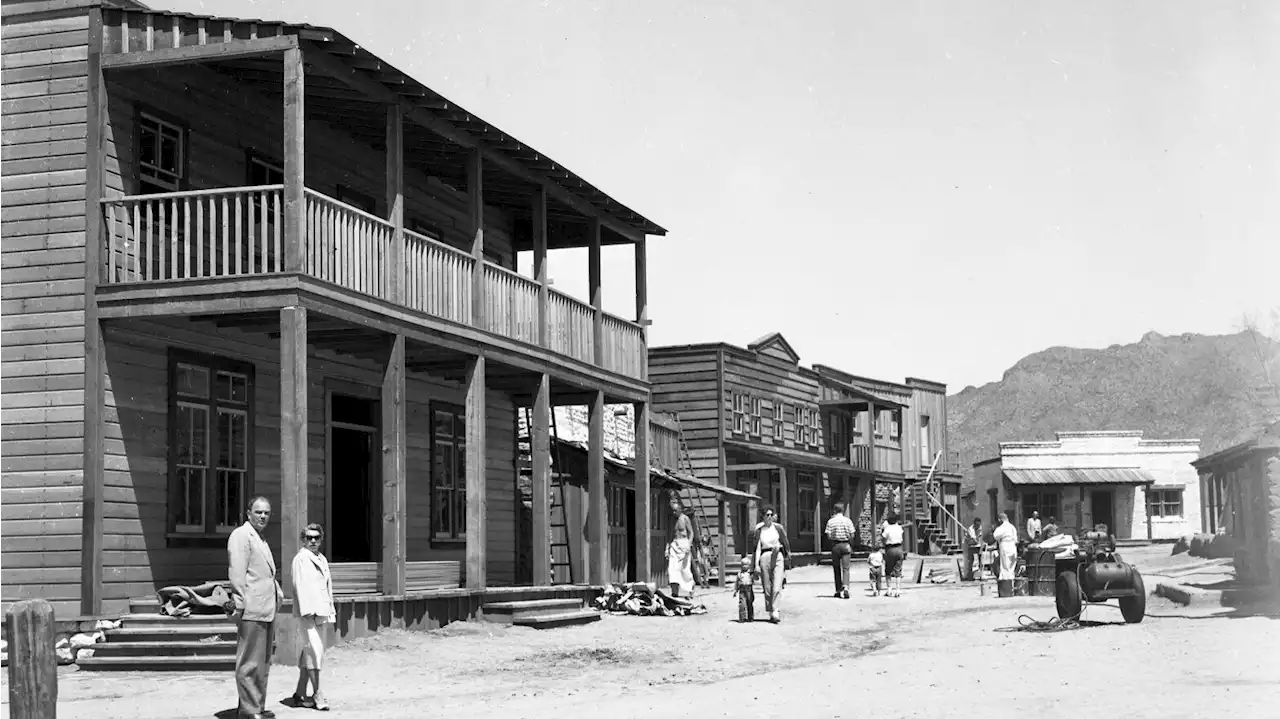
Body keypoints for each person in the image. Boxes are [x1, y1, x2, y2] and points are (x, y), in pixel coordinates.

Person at [228, 496, 284, 719]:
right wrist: (239, 605)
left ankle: (256, 706)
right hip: (251, 608)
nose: (263, 516)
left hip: (266, 608)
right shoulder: (241, 536)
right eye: (259, 512)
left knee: (262, 663)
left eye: (267, 513)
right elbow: (237, 573)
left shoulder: (259, 538)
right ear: (248, 513)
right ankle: (249, 711)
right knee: (249, 662)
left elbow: (264, 573)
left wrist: (277, 592)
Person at [290, 523, 336, 712]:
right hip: (308, 613)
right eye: (309, 538)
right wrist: (306, 609)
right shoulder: (301, 559)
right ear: (303, 540)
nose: (313, 541)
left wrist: (329, 610)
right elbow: (298, 584)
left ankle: (300, 693)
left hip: (321, 611)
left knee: (311, 651)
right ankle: (318, 693)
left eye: (316, 538)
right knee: (315, 651)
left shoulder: (322, 559)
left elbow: (327, 587)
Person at [749, 505, 791, 623]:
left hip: (777, 555)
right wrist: (756, 565)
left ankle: (775, 610)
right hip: (764, 555)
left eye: (771, 515)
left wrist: (783, 550)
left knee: (777, 584)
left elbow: (785, 542)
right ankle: (770, 609)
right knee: (767, 586)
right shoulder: (759, 530)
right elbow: (757, 548)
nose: (770, 517)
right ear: (762, 516)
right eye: (767, 515)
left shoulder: (778, 528)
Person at [824, 503, 856, 599]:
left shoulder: (831, 521)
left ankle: (838, 589)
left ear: (834, 510)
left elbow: (828, 535)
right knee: (846, 568)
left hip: (835, 545)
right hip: (846, 544)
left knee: (836, 568)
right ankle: (846, 586)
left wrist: (833, 539)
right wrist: (849, 542)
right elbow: (852, 534)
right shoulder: (848, 521)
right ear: (843, 510)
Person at [879, 513, 906, 597]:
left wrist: (883, 544)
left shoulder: (888, 528)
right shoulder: (899, 527)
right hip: (899, 548)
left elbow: (883, 537)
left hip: (890, 548)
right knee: (898, 570)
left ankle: (889, 589)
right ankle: (898, 590)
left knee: (888, 570)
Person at [665, 524, 695, 598]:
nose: (674, 511)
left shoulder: (685, 519)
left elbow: (691, 533)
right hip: (674, 544)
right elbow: (669, 534)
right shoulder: (672, 519)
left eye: (676, 511)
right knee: (672, 569)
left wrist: (689, 544)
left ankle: (690, 588)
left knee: (684, 569)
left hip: (684, 543)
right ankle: (674, 592)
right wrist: (667, 548)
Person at [993, 511, 1019, 585]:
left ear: (1000, 520)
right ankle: (1011, 582)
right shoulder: (1012, 527)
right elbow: (1016, 539)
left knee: (1005, 565)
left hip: (1005, 545)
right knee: (1011, 566)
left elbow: (995, 536)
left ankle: (1006, 583)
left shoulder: (1002, 527)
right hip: (1013, 546)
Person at [734, 553, 756, 623]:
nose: (744, 566)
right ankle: (742, 617)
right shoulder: (739, 574)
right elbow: (737, 582)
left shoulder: (750, 573)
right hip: (742, 589)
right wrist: (735, 590)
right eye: (743, 565)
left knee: (749, 603)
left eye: (746, 565)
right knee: (742, 604)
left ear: (749, 566)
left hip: (749, 589)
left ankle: (750, 617)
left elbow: (756, 578)